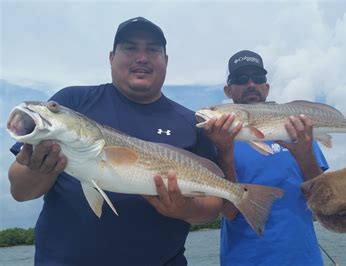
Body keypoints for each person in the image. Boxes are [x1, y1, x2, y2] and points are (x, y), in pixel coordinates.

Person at [7, 17, 222, 265]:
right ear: (111, 57)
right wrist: (39, 170)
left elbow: (213, 204)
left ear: (166, 60)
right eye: (130, 48)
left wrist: (186, 209)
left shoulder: (191, 122)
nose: (141, 57)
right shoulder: (72, 101)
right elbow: (21, 192)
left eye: (152, 50)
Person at [203, 50, 329, 265]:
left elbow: (324, 201)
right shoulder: (212, 142)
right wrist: (224, 151)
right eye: (241, 79)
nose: (251, 84)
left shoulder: (298, 131)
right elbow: (230, 211)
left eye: (258, 78)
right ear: (228, 90)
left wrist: (306, 154)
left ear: (266, 87)